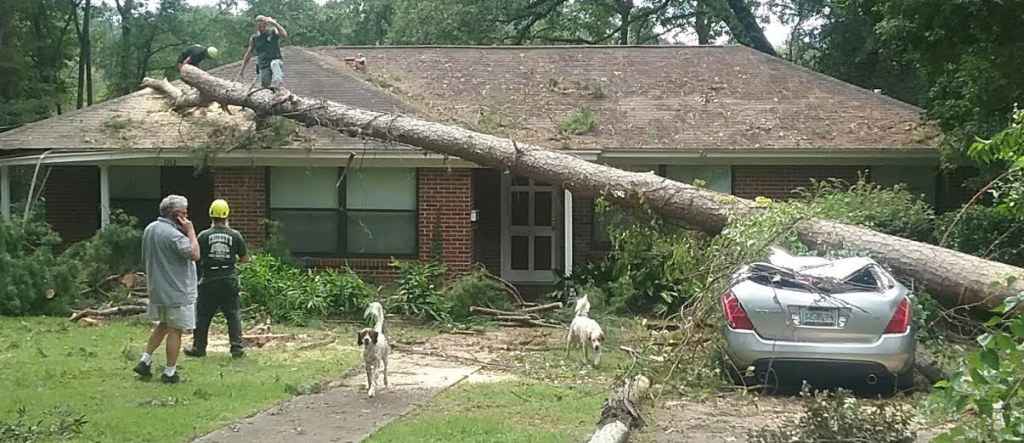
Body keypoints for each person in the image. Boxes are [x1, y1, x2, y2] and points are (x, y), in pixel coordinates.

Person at [134, 195, 200, 384]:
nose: (187, 217)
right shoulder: (175, 235)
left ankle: (145, 361)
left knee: (163, 325)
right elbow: (195, 254)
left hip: (157, 288)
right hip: (177, 291)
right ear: (176, 214)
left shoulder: (150, 228)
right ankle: (170, 373)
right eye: (185, 213)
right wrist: (191, 231)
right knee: (176, 330)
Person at [184, 199, 250, 359]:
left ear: (211, 215)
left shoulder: (204, 235)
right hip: (229, 279)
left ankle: (198, 348)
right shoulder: (235, 235)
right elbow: (245, 259)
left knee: (203, 316)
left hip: (209, 280)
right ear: (227, 214)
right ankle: (237, 349)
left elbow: (196, 256)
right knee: (233, 315)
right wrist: (232, 259)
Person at [238, 15, 288, 89]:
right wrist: (242, 69)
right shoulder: (254, 38)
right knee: (265, 86)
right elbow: (249, 54)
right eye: (259, 24)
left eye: (263, 23)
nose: (261, 27)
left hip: (276, 60)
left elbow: (284, 35)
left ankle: (278, 82)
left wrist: (274, 23)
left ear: (266, 24)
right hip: (263, 65)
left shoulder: (272, 31)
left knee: (274, 64)